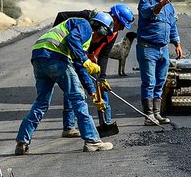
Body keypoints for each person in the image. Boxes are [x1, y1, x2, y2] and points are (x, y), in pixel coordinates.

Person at [14, 12, 116, 154]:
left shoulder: (79, 36)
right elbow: (72, 40)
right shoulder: (85, 26)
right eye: (102, 35)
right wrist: (86, 60)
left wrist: (92, 91)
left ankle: (22, 142)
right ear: (100, 29)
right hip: (56, 57)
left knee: (41, 102)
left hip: (39, 56)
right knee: (78, 99)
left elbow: (79, 66)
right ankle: (92, 140)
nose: (100, 39)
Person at [60, 3, 134, 136]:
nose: (122, 28)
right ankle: (69, 127)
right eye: (121, 24)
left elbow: (104, 54)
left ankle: (106, 122)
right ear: (115, 18)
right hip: (74, 55)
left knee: (102, 88)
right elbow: (61, 16)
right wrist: (61, 45)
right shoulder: (89, 17)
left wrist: (102, 77)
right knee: (73, 89)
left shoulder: (113, 33)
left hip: (90, 59)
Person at [137, 0, 183, 125]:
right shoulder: (146, 1)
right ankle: (148, 115)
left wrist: (177, 43)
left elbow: (172, 25)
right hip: (147, 47)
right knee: (149, 81)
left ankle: (157, 113)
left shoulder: (170, 6)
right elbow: (149, 13)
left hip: (163, 49)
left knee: (160, 82)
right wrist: (161, 4)